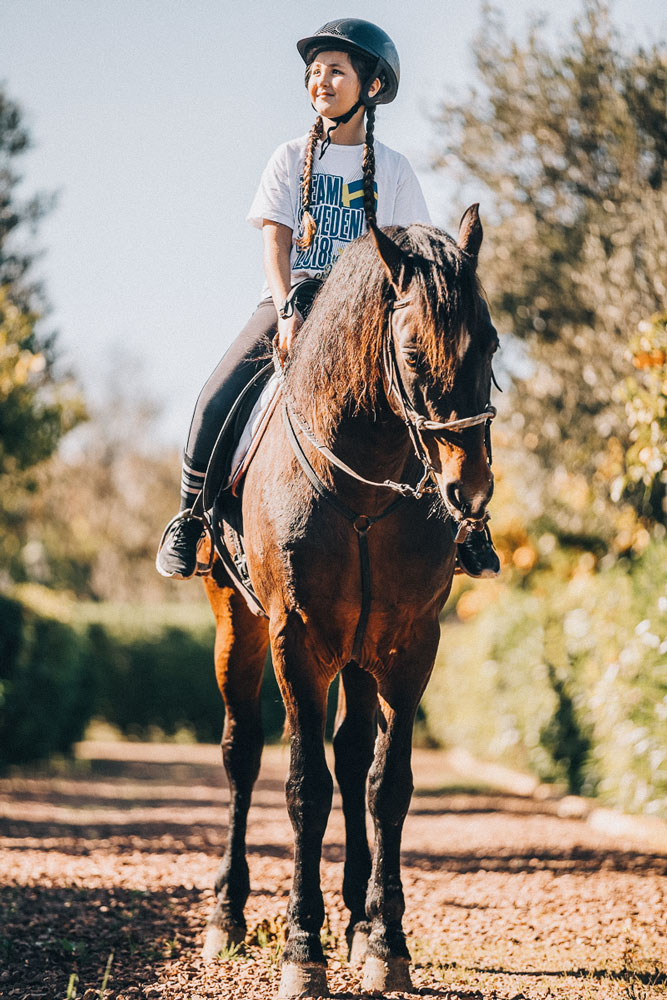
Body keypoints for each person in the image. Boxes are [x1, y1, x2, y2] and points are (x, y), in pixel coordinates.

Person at [156, 18, 500, 581]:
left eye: (335, 71)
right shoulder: (288, 158)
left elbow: (415, 256)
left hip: (369, 320)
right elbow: (275, 243)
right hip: (293, 302)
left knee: (454, 382)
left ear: (370, 87)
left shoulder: (394, 169)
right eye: (314, 72)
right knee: (216, 397)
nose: (321, 80)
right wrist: (287, 306)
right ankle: (190, 518)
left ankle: (470, 527)